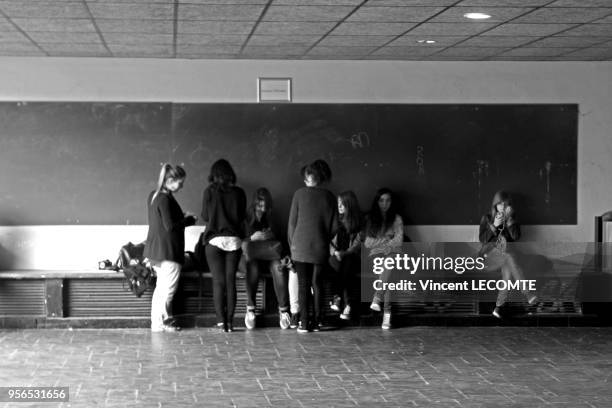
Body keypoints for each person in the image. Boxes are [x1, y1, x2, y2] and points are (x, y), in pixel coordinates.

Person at [144, 163, 197, 332]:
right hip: (168, 251)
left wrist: (180, 216)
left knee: (160, 289)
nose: (181, 187)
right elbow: (170, 227)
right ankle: (162, 323)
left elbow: (163, 221)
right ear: (171, 180)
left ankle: (157, 324)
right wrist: (189, 220)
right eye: (180, 183)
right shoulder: (165, 199)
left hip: (155, 251)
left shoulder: (154, 195)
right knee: (168, 290)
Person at [288, 159, 337, 333]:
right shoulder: (330, 197)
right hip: (320, 247)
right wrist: (323, 238)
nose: (305, 180)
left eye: (306, 177)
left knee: (303, 284)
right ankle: (317, 322)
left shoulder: (299, 194)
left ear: (309, 178)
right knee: (317, 283)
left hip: (300, 247)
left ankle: (303, 323)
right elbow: (334, 227)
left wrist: (292, 245)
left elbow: (292, 225)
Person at [201, 159, 247, 332]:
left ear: (214, 174)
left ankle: (221, 322)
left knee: (218, 282)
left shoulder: (209, 192)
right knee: (230, 282)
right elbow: (241, 217)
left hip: (214, 241)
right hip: (233, 241)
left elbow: (205, 216)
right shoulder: (239, 193)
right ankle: (230, 322)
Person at [479, 190, 537, 319]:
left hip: (507, 258)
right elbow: (483, 240)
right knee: (509, 258)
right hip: (489, 257)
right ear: (495, 205)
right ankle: (527, 293)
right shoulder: (487, 218)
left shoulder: (512, 219)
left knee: (507, 271)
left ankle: (498, 308)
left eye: (506, 204)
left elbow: (516, 237)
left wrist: (510, 221)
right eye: (500, 204)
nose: (503, 207)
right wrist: (494, 225)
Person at [243, 187, 291, 330]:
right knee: (252, 266)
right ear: (254, 203)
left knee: (278, 267)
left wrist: (270, 235)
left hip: (269, 255)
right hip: (252, 256)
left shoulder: (270, 216)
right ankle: (250, 308)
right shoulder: (246, 217)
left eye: (265, 206)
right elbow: (239, 242)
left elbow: (279, 240)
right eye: (260, 205)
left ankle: (283, 310)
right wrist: (252, 237)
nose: (262, 209)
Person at [364, 188, 403, 330]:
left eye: (388, 200)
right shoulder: (371, 218)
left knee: (389, 264)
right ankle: (387, 314)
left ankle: (378, 297)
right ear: (377, 201)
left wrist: (381, 241)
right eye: (381, 200)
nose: (385, 203)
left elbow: (399, 241)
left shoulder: (397, 219)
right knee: (387, 273)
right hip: (376, 256)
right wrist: (387, 239)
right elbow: (368, 242)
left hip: (393, 254)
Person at [329, 191, 363, 321]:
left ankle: (337, 298)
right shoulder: (337, 222)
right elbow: (330, 242)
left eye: (342, 204)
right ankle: (348, 305)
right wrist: (335, 252)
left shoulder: (360, 222)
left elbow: (357, 245)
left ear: (350, 205)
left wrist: (344, 253)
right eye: (338, 204)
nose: (339, 207)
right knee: (341, 265)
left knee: (346, 263)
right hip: (337, 257)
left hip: (354, 257)